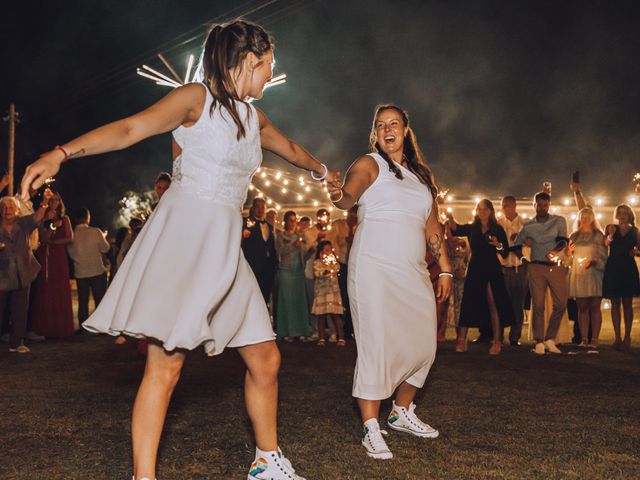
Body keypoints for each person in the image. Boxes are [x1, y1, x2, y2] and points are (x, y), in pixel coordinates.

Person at [21, 19, 340, 480]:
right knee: (165, 368)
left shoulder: (254, 117)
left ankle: (267, 462)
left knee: (266, 357)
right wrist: (61, 154)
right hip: (188, 237)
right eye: (268, 65)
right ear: (249, 60)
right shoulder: (196, 98)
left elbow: (288, 148)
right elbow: (132, 128)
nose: (271, 75)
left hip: (227, 246)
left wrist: (320, 170)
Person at [327, 104, 451, 460]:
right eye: (381, 125)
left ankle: (400, 411)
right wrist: (336, 192)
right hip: (373, 267)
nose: (387, 130)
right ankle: (370, 426)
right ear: (375, 133)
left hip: (412, 270)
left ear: (406, 129)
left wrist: (443, 268)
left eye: (394, 123)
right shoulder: (369, 164)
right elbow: (346, 198)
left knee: (424, 343)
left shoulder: (421, 175)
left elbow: (432, 226)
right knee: (376, 344)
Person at [446, 199, 514, 355]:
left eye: (485, 209)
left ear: (490, 211)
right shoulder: (473, 228)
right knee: (468, 303)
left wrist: (498, 245)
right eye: (479, 209)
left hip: (492, 268)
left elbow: (504, 250)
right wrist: (449, 216)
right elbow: (455, 228)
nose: (482, 212)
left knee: (493, 303)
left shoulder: (497, 229)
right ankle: (462, 340)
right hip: (476, 267)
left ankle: (496, 341)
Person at [513, 192, 568, 355]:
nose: (543, 208)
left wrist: (554, 251)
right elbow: (516, 246)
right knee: (538, 305)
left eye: (545, 205)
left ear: (549, 205)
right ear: (534, 205)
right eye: (540, 205)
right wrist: (524, 261)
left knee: (561, 303)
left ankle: (550, 338)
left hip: (555, 266)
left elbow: (564, 240)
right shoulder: (529, 226)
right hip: (536, 267)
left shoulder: (559, 220)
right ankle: (539, 341)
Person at [0, 189, 52, 352]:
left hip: (23, 271)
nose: (7, 210)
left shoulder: (24, 223)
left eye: (10, 207)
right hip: (2, 274)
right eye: (4, 208)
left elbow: (37, 217)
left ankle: (17, 342)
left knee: (20, 308)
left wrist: (44, 201)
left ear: (17, 210)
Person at [30, 192, 75, 338]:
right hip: (46, 255)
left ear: (60, 202)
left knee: (60, 286)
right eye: (52, 200)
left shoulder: (65, 218)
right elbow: (43, 239)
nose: (54, 202)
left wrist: (55, 242)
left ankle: (61, 328)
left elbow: (70, 237)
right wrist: (52, 227)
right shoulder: (42, 218)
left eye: (57, 200)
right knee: (46, 286)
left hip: (59, 255)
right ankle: (46, 328)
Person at [566, 207, 607, 348]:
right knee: (582, 308)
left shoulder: (598, 235)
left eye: (588, 216)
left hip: (594, 274)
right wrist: (569, 253)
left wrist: (594, 261)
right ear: (579, 218)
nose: (585, 219)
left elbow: (603, 255)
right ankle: (584, 339)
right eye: (582, 216)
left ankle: (594, 339)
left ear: (593, 218)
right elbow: (568, 259)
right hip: (579, 275)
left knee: (595, 307)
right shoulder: (574, 236)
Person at [602, 204, 640, 351]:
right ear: (616, 215)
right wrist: (610, 235)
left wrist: (636, 252)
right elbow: (605, 244)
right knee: (615, 304)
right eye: (620, 213)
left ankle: (627, 337)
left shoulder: (636, 231)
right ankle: (617, 337)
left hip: (628, 268)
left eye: (625, 213)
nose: (623, 215)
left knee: (628, 304)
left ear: (630, 215)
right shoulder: (611, 227)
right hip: (613, 267)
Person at [67, 207, 111, 330]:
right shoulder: (96, 232)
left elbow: (70, 254)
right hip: (97, 270)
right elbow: (106, 248)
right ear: (88, 217)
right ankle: (100, 326)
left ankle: (83, 327)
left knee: (83, 301)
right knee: (100, 300)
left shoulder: (71, 235)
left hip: (80, 272)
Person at [274, 210, 310, 341]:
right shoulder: (280, 236)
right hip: (286, 270)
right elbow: (279, 251)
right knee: (287, 301)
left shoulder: (299, 235)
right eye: (290, 220)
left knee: (298, 301)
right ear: (285, 221)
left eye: (295, 220)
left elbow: (304, 256)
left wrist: (309, 250)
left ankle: (300, 330)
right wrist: (292, 246)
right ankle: (287, 331)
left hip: (298, 271)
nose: (293, 223)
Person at [497, 195, 527, 346]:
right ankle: (499, 335)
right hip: (502, 266)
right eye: (503, 206)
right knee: (501, 302)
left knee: (517, 303)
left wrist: (521, 240)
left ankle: (515, 337)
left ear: (514, 206)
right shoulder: (498, 223)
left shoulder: (524, 224)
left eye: (507, 205)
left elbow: (530, 243)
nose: (505, 208)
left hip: (519, 267)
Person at [242, 197, 278, 304]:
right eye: (257, 207)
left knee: (265, 296)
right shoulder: (247, 222)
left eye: (262, 207)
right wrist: (244, 235)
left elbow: (271, 247)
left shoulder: (269, 227)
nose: (260, 210)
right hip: (252, 266)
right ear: (253, 208)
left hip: (268, 268)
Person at [311, 240, 345, 346]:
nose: (329, 252)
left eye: (330, 250)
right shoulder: (317, 262)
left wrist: (331, 264)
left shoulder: (333, 261)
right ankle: (321, 338)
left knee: (335, 315)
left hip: (332, 291)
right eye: (326, 250)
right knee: (321, 315)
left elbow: (337, 268)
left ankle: (341, 337)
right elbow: (317, 273)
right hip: (321, 292)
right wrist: (325, 270)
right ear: (321, 251)